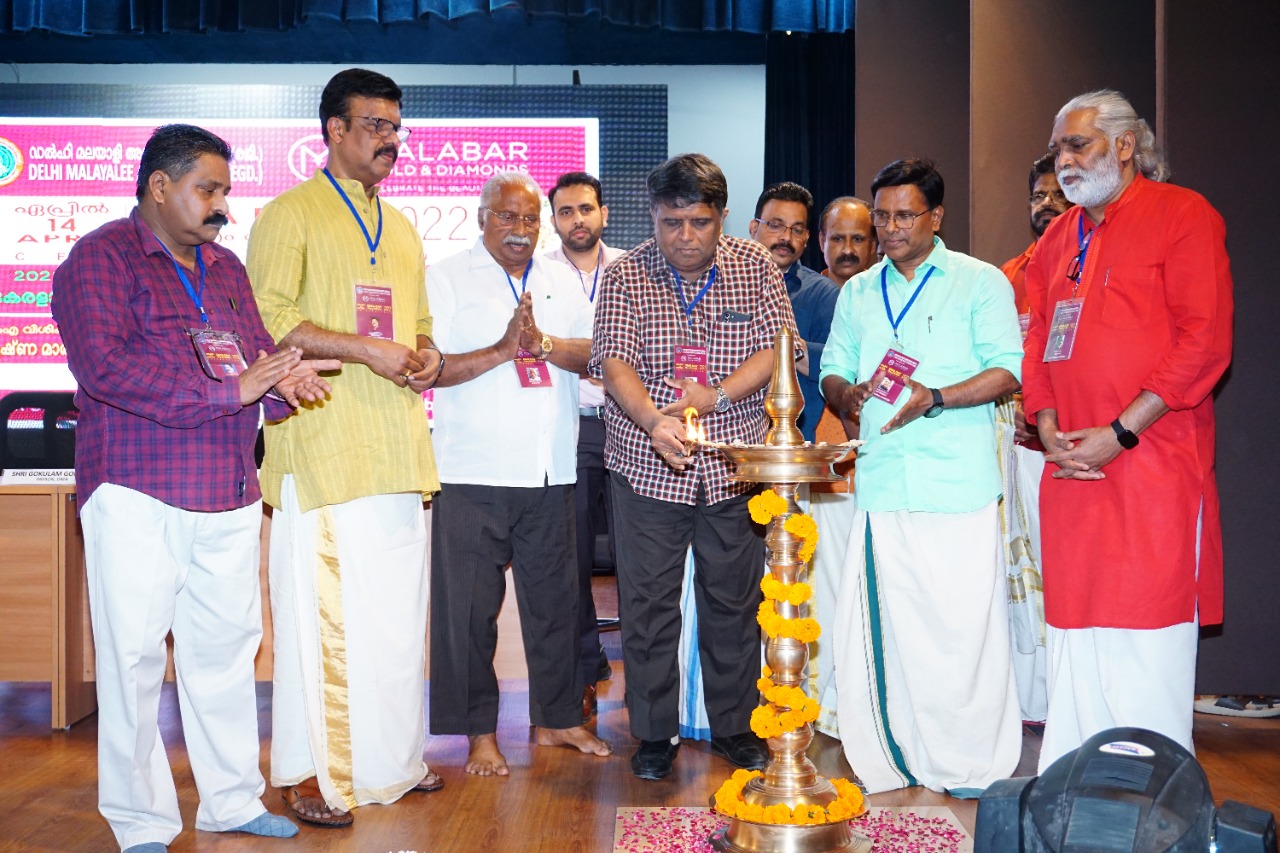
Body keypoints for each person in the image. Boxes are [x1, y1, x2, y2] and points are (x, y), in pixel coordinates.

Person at [52, 124, 338, 852]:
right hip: (137, 488)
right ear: (158, 185)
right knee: (135, 657)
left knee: (224, 651)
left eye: (225, 192)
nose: (223, 208)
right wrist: (235, 389)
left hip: (228, 489)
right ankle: (141, 820)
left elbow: (249, 362)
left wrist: (282, 382)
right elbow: (106, 370)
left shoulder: (226, 269)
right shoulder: (98, 260)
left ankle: (231, 800)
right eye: (208, 190)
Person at [246, 68, 443, 828]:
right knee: (323, 619)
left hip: (397, 446)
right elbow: (270, 321)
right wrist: (367, 349)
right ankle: (310, 774)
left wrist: (422, 352)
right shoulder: (286, 215)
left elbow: (418, 324)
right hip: (323, 445)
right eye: (375, 126)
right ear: (333, 130)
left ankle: (392, 761)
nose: (390, 140)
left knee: (393, 623)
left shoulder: (400, 226)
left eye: (397, 127)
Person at [1022, 89, 1233, 771]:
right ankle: (1074, 790)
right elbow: (1038, 349)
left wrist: (1121, 430)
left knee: (1145, 631)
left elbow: (1204, 343)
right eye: (1058, 149)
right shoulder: (1059, 238)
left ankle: (1150, 799)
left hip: (1152, 467)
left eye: (1077, 145)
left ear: (1124, 145)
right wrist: (1047, 424)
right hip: (1071, 466)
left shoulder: (1183, 215)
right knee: (1074, 633)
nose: (1064, 162)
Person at [820, 158, 1024, 796]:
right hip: (883, 484)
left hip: (956, 486)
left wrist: (934, 397)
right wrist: (847, 393)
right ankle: (899, 755)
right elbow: (833, 366)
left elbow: (1007, 371)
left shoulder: (979, 282)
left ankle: (966, 764)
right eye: (881, 215)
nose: (889, 228)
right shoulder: (857, 292)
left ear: (937, 217)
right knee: (895, 631)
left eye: (904, 215)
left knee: (961, 633)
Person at [590, 153, 796, 781]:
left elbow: (777, 346)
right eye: (670, 222)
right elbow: (614, 361)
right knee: (649, 605)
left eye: (699, 223)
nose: (684, 237)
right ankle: (653, 733)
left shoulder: (755, 264)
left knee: (732, 600)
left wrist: (720, 395)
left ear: (722, 217)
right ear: (652, 216)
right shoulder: (626, 275)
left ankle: (735, 725)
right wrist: (655, 420)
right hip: (647, 463)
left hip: (732, 463)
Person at [427, 171, 612, 777]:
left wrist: (547, 344)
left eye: (531, 219)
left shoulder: (559, 275)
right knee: (469, 612)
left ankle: (557, 718)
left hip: (550, 468)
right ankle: (478, 733)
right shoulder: (446, 276)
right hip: (471, 472)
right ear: (479, 217)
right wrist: (505, 349)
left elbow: (595, 353)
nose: (521, 230)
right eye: (508, 217)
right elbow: (430, 370)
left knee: (556, 605)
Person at [544, 171, 628, 717]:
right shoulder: (536, 272)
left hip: (628, 424)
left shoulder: (630, 268)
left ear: (603, 214)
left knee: (635, 551)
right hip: (567, 425)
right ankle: (582, 662)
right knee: (569, 555)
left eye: (586, 209)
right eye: (566, 211)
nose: (578, 219)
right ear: (555, 220)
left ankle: (645, 665)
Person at [998, 153, 1074, 729]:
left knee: (1070, 573)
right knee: (1023, 576)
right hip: (1019, 451)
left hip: (1084, 446)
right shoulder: (1009, 276)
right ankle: (1030, 700)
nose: (1045, 205)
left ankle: (1073, 699)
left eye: (1057, 193)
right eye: (1037, 196)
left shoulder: (1094, 265)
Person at [748, 182, 840, 443]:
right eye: (775, 225)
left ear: (807, 238)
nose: (785, 238)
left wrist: (784, 346)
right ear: (754, 227)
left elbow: (836, 365)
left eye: (796, 230)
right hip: (729, 441)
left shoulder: (823, 294)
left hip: (794, 446)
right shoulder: (724, 286)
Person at [818, 196, 877, 286]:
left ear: (872, 245)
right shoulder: (805, 296)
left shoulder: (889, 295)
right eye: (838, 239)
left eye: (857, 239)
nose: (848, 250)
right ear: (822, 242)